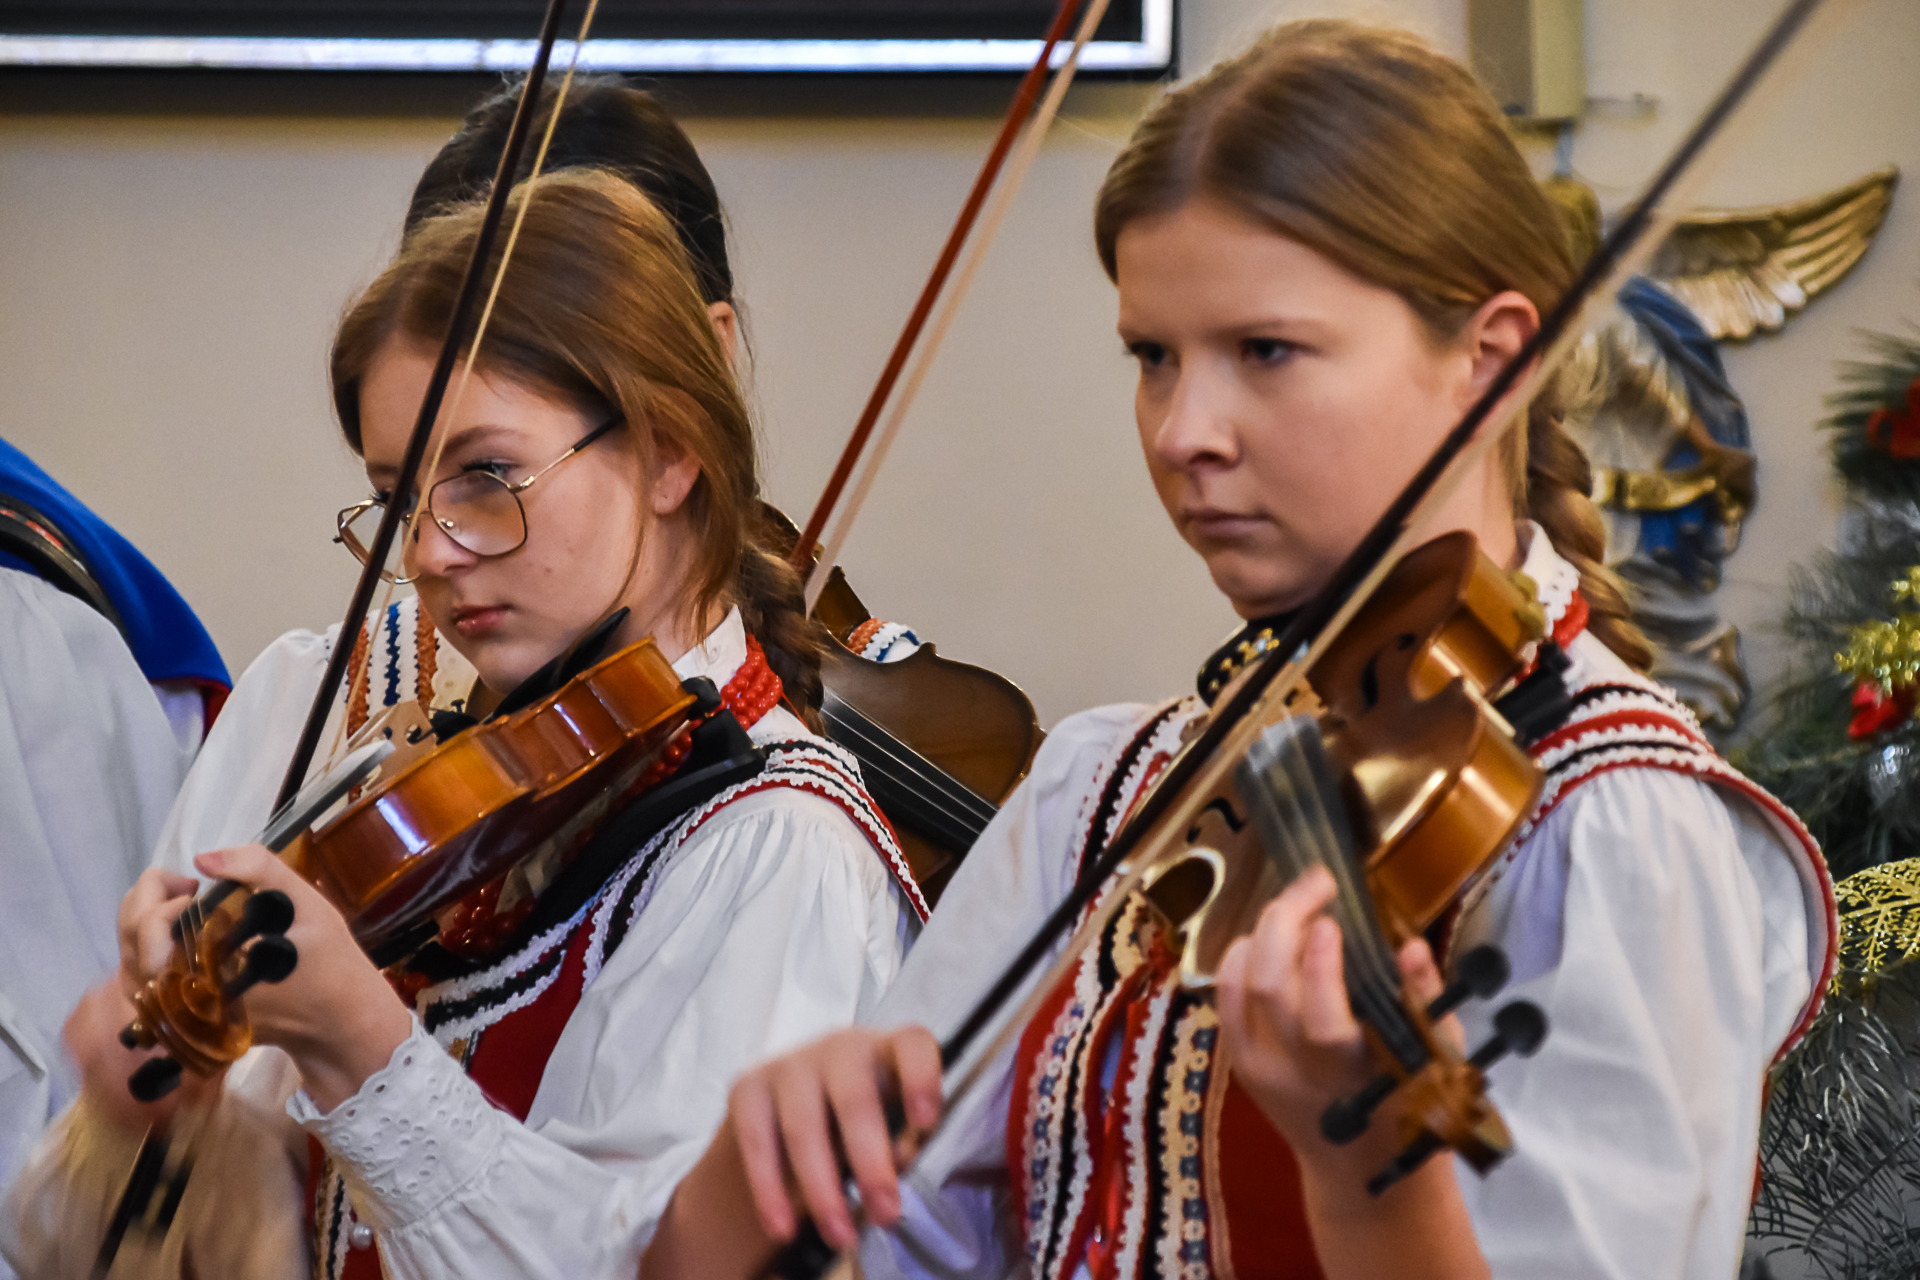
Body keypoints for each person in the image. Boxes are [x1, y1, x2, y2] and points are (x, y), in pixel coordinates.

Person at [641, 20, 1835, 1280]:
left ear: (1489, 363)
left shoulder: (1617, 823)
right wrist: (751, 1190)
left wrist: (1369, 1171)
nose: (1182, 431)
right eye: (1153, 357)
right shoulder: (1105, 786)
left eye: (1265, 350)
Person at [3, 172, 923, 1279]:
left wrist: (364, 1051)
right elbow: (64, 1252)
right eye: (401, 497)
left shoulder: (778, 850)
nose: (432, 552)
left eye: (487, 475)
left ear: (671, 450)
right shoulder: (404, 777)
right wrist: (152, 1115)